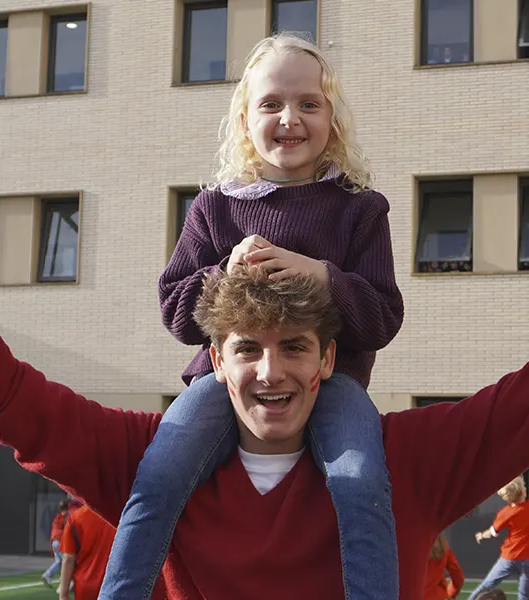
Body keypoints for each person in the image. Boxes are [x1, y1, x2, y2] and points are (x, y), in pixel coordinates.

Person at [0, 62, 529, 598]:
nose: (269, 371)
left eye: (293, 348)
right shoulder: (151, 455)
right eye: (246, 349)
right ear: (215, 356)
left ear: (328, 357)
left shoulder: (401, 464)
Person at [106, 33, 404, 599]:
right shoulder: (216, 206)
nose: (289, 118)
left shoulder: (360, 208)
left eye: (308, 104)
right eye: (271, 103)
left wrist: (321, 274)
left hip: (333, 384)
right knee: (159, 477)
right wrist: (222, 272)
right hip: (224, 384)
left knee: (362, 482)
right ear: (245, 120)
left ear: (332, 120)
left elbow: (383, 319)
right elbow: (175, 311)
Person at [470, 460, 529, 600]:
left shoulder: (506, 512)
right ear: (523, 491)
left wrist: (481, 535)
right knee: (524, 596)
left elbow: (492, 532)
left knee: (486, 586)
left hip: (510, 556)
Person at [57, 504, 116, 600]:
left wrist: (63, 594)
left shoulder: (77, 517)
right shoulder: (123, 514)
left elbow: (68, 559)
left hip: (85, 587)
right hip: (115, 584)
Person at [424, 533, 464, 600]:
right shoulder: (443, 545)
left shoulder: (409, 545)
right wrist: (450, 594)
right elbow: (458, 577)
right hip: (438, 596)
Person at [42, 498, 70, 588]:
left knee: (59, 561)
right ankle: (63, 580)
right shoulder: (66, 516)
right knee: (65, 561)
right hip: (60, 541)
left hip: (54, 541)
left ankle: (48, 574)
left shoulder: (57, 517)